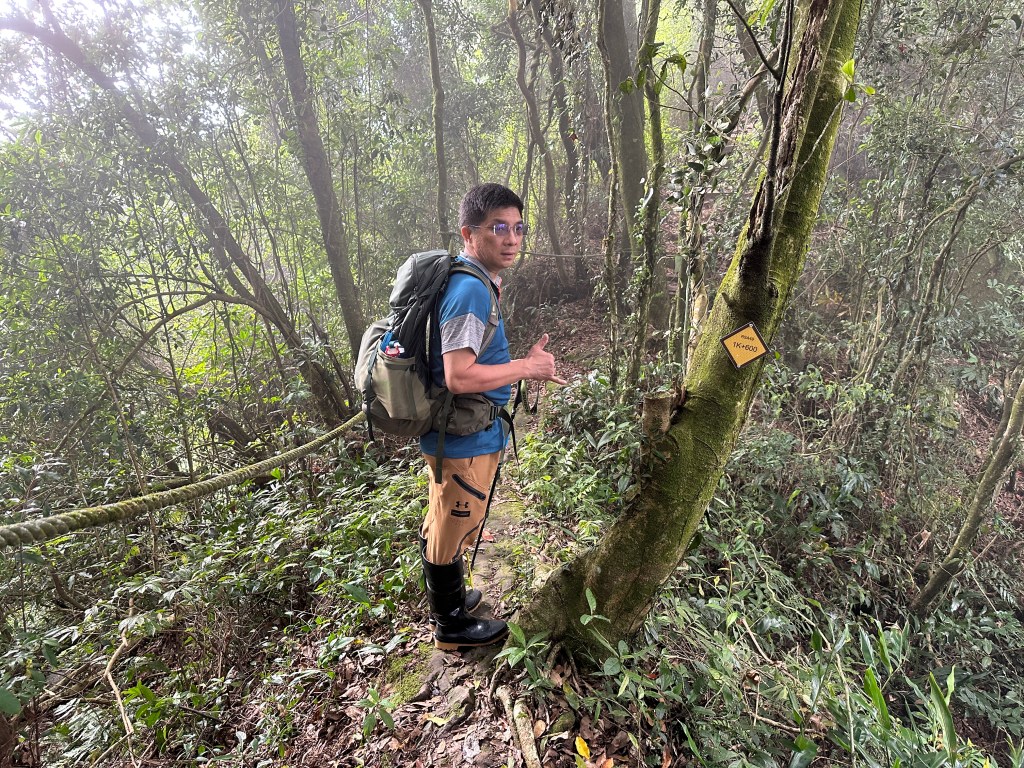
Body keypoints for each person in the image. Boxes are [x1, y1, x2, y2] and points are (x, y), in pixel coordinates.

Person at [419, 183, 566, 650]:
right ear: (469, 233)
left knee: (446, 516)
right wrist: (527, 367)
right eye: (498, 228)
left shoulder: (474, 280)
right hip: (462, 438)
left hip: (462, 432)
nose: (511, 239)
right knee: (452, 523)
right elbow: (458, 375)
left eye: (518, 228)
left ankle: (452, 600)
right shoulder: (469, 290)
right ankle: (450, 626)